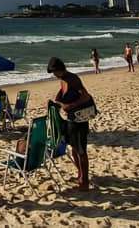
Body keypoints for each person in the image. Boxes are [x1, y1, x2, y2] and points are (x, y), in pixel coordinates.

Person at [47, 57, 93, 191]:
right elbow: (60, 97)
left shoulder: (73, 79)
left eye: (54, 72)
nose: (54, 75)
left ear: (59, 69)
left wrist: (70, 105)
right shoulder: (64, 80)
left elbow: (86, 97)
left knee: (81, 150)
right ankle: (80, 174)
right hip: (72, 119)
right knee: (74, 149)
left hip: (79, 119)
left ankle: (85, 181)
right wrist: (57, 103)